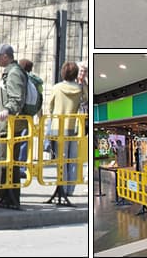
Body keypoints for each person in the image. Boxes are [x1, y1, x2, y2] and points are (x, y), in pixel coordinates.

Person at [0, 43, 28, 207]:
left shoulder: (13, 73)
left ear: (5, 56)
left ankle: (10, 198)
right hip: (10, 124)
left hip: (12, 125)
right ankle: (6, 197)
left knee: (6, 161)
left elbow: (16, 99)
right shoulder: (13, 71)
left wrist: (7, 111)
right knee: (7, 161)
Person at [47, 61, 84, 196]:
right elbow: (85, 99)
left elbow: (50, 107)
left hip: (58, 127)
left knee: (61, 160)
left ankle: (61, 187)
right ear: (75, 74)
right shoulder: (79, 89)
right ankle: (70, 189)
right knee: (72, 159)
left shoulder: (56, 88)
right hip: (73, 127)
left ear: (62, 72)